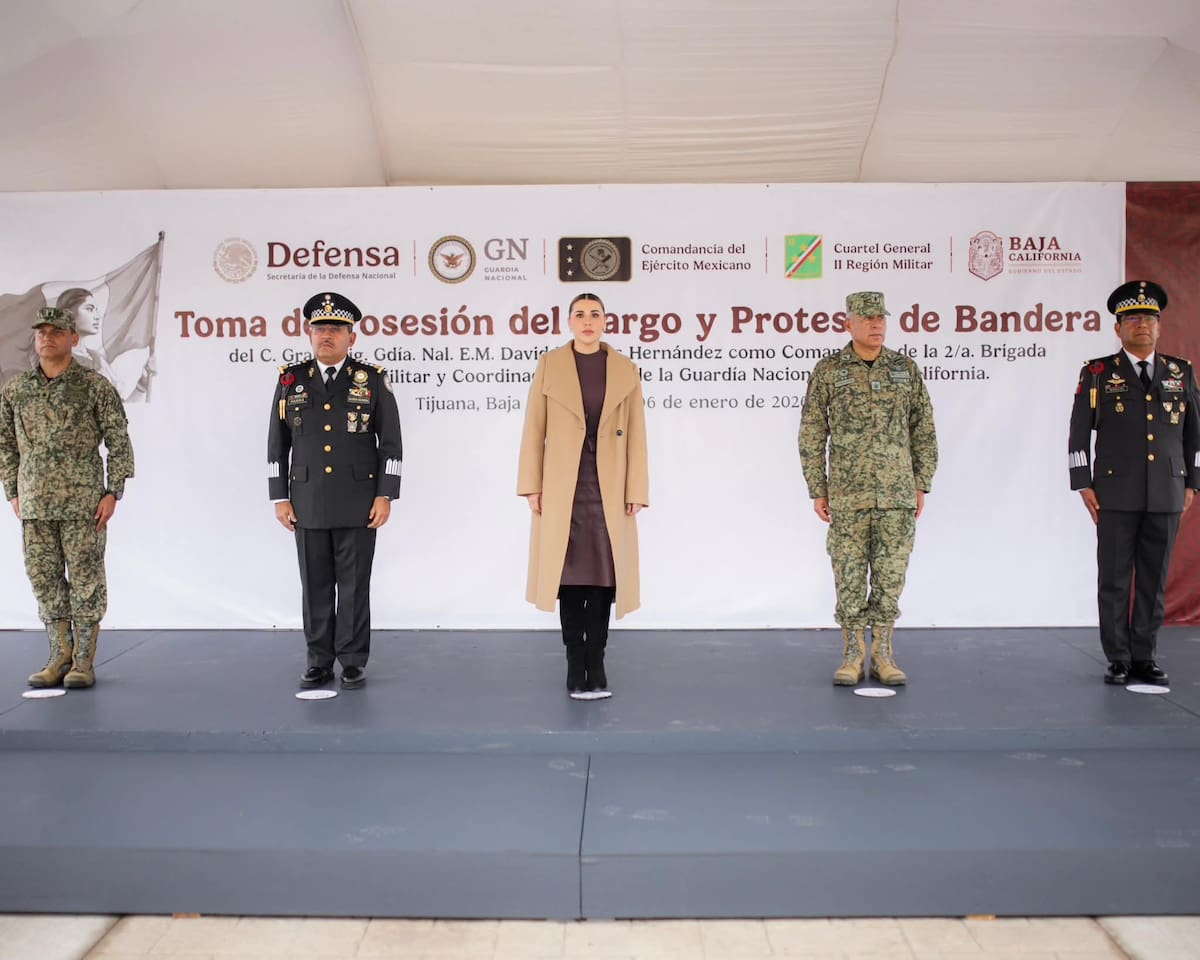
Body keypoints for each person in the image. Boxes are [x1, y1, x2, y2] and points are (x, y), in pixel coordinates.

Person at [798, 291, 938, 686]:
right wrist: (818, 488)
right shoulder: (829, 370)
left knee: (891, 576)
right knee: (849, 575)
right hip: (848, 494)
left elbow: (923, 428)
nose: (877, 324)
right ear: (849, 324)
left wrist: (921, 482)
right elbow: (812, 431)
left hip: (896, 493)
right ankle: (853, 654)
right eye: (867, 318)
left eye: (881, 318)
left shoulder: (904, 368)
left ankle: (883, 655)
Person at [267, 292, 402, 690]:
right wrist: (279, 497)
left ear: (351, 337)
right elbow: (277, 444)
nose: (327, 335)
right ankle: (319, 661)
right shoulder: (291, 380)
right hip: (306, 501)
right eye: (320, 328)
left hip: (359, 502)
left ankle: (353, 660)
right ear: (309, 333)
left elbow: (391, 443)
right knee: (315, 586)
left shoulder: (371, 380)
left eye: (336, 330)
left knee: (355, 585)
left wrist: (385, 494)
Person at [517, 292, 649, 700]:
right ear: (569, 321)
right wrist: (532, 484)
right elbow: (533, 428)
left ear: (606, 321)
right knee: (569, 577)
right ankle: (575, 664)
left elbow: (638, 435)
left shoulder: (625, 368)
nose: (588, 321)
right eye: (580, 314)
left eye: (595, 314)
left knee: (604, 578)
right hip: (563, 487)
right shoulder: (550, 365)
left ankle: (598, 660)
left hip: (609, 486)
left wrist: (636, 488)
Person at [1068, 280, 1199, 686]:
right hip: (1114, 492)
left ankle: (1144, 655)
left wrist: (1193, 482)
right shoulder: (1098, 372)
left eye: (1148, 318)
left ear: (1159, 326)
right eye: (1132, 319)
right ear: (1118, 328)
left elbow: (1195, 435)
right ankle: (1119, 657)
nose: (1141, 324)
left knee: (1154, 578)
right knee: (1114, 578)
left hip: (1167, 490)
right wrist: (1082, 482)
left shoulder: (1180, 371)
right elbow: (1078, 432)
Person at [0, 306, 134, 689]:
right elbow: (5, 444)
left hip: (84, 505)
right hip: (35, 505)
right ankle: (58, 656)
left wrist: (113, 492)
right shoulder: (16, 390)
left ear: (73, 339)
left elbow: (118, 441)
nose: (47, 338)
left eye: (56, 331)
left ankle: (82, 661)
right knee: (44, 579)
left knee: (86, 580)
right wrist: (13, 491)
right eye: (42, 332)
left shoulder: (94, 386)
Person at [55, 287, 153, 403]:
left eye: (96, 310)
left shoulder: (97, 358)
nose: (97, 316)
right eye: (89, 309)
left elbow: (120, 407)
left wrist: (142, 384)